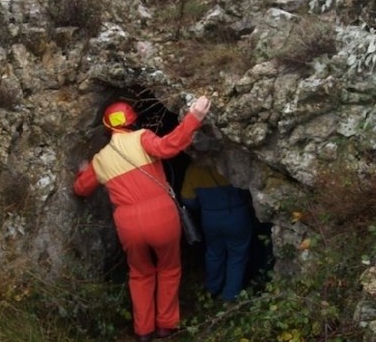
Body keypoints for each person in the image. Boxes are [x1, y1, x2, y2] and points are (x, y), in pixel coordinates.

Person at [73, 96, 211, 342]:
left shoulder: (100, 160)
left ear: (108, 127)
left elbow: (81, 189)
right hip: (161, 215)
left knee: (140, 273)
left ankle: (143, 331)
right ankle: (166, 326)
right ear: (132, 121)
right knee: (169, 269)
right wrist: (194, 118)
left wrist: (85, 172)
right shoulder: (142, 138)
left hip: (128, 222)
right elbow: (169, 146)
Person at [181, 160, 253, 302]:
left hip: (210, 217)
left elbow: (188, 199)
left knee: (214, 253)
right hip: (237, 213)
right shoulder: (231, 161)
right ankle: (230, 295)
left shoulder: (194, 168)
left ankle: (212, 289)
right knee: (237, 256)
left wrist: (205, 204)